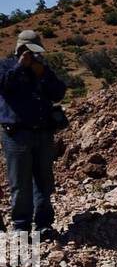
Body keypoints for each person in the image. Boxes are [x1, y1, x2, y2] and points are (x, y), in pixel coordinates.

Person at [0, 29, 67, 238]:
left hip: (43, 133)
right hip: (16, 135)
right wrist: (20, 66)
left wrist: (44, 74)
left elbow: (59, 93)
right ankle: (21, 226)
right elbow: (3, 85)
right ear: (20, 49)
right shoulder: (6, 67)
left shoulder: (43, 70)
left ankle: (44, 224)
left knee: (44, 181)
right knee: (20, 183)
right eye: (29, 51)